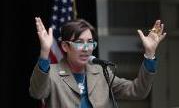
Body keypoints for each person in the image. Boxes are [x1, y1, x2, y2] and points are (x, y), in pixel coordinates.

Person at [29, 17, 166, 108]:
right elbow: (37, 93)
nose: (86, 48)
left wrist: (149, 54)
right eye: (79, 43)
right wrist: (45, 52)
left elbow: (137, 91)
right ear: (65, 46)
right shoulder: (51, 73)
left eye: (90, 43)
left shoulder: (100, 71)